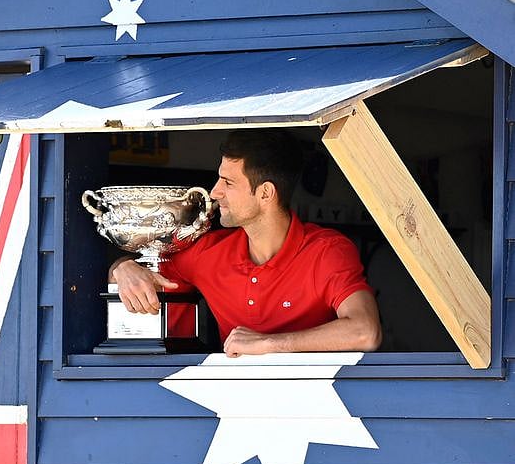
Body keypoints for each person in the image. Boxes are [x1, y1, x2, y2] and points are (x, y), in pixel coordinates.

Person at [110, 129, 382, 357]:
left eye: (227, 182)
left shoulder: (327, 251)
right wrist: (124, 268)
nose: (214, 192)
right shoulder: (208, 252)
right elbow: (149, 267)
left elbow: (365, 332)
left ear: (265, 193)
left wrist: (268, 344)